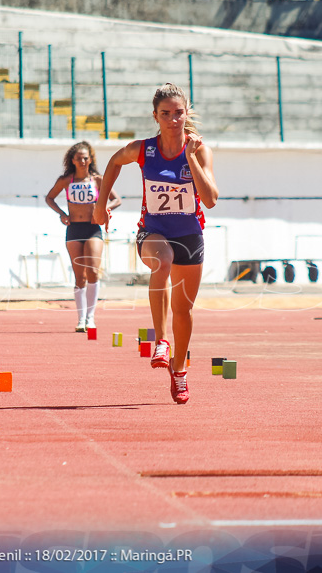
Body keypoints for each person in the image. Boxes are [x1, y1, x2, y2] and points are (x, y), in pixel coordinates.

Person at [93, 83, 219, 404]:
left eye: (178, 113)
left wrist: (190, 160)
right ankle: (160, 341)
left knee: (184, 311)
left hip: (189, 234)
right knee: (162, 260)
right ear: (155, 116)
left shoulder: (200, 150)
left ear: (186, 112)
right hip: (153, 230)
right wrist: (101, 202)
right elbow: (113, 162)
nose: (173, 120)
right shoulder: (143, 149)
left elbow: (211, 199)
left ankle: (179, 371)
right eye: (166, 114)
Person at [45, 141, 122, 332]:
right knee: (80, 277)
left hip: (93, 228)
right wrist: (62, 214)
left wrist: (104, 208)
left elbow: (116, 199)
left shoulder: (97, 179)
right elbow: (49, 197)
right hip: (74, 229)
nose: (82, 161)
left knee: (93, 272)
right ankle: (80, 320)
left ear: (90, 160)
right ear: (72, 160)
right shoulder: (66, 180)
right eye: (78, 158)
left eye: (85, 158)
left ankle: (91, 317)